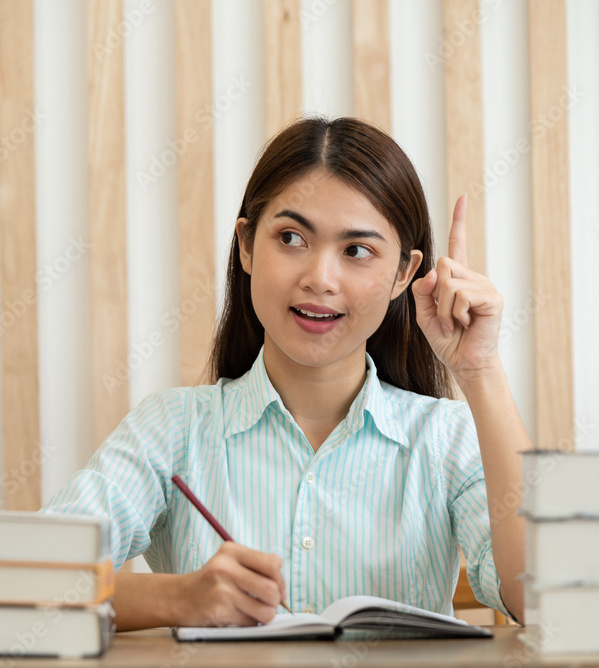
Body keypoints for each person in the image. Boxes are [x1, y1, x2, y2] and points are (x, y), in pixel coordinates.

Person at [42, 116, 530, 631]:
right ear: (247, 246)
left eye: (357, 251)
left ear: (403, 275)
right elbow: (27, 581)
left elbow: (541, 601)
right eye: (292, 237)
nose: (319, 278)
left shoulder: (447, 436)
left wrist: (481, 369)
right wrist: (177, 598)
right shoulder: (171, 429)